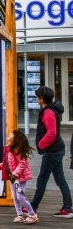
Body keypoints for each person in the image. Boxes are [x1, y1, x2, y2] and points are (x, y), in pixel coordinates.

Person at [30, 86, 73, 217]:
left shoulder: (48, 112)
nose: (36, 99)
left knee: (42, 179)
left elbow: (51, 133)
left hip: (52, 150)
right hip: (56, 149)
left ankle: (32, 207)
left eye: (37, 97)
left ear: (42, 98)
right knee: (60, 178)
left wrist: (41, 145)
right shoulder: (51, 109)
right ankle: (68, 208)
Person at [0, 129, 37, 224]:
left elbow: (22, 164)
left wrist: (15, 174)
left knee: (20, 197)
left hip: (19, 178)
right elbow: (6, 164)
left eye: (11, 134)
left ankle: (32, 214)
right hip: (13, 178)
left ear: (15, 138)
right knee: (15, 197)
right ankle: (19, 215)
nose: (9, 134)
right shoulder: (8, 149)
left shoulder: (17, 150)